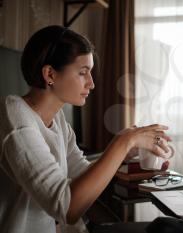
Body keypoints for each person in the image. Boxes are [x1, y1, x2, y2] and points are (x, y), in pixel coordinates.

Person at [0, 25, 171, 233]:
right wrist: (123, 141)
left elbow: (83, 174)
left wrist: (125, 152)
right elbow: (69, 207)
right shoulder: (15, 117)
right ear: (50, 74)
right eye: (83, 73)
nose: (91, 83)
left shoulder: (58, 119)